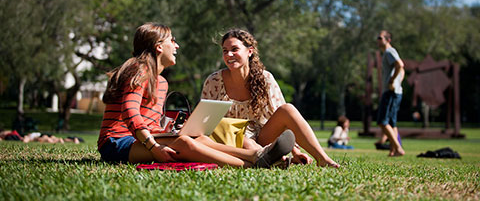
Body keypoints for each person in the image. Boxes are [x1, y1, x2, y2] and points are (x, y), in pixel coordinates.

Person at [97, 23, 294, 167]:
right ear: (158, 47)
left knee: (197, 137)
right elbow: (130, 114)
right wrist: (154, 146)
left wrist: (169, 131)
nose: (177, 46)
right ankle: (252, 163)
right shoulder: (138, 70)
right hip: (117, 142)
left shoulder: (162, 82)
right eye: (172, 41)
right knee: (184, 143)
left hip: (142, 139)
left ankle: (256, 155)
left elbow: (150, 123)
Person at [201, 29, 339, 168]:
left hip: (261, 138)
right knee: (245, 141)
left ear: (250, 51)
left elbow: (283, 120)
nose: (229, 54)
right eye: (225, 51)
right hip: (228, 139)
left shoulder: (265, 79)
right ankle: (272, 159)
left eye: (234, 49)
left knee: (287, 109)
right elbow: (204, 122)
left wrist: (295, 151)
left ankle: (323, 159)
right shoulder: (214, 81)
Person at [375, 30, 405, 157]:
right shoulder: (388, 53)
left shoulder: (389, 52)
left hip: (391, 92)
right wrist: (398, 82)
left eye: (380, 37)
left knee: (383, 121)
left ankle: (398, 148)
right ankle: (393, 150)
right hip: (395, 91)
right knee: (392, 123)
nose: (378, 40)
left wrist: (392, 81)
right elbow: (402, 70)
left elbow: (400, 65)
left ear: (388, 40)